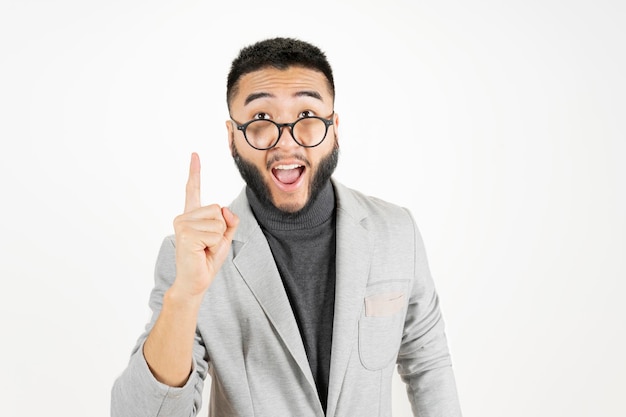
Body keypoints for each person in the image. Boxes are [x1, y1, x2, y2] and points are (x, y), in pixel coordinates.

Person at [111, 37, 462, 417]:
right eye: (261, 120)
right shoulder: (194, 255)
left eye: (308, 116)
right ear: (232, 138)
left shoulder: (396, 231)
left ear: (335, 128)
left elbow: (429, 365)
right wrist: (185, 296)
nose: (287, 142)